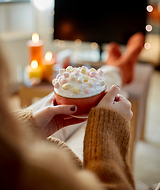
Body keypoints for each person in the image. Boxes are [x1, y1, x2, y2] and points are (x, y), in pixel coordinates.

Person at [0, 32, 157, 190]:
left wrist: (29, 126)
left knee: (73, 94)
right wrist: (108, 129)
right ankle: (120, 68)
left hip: (10, 143)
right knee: (98, 97)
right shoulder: (37, 175)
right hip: (46, 161)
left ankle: (118, 68)